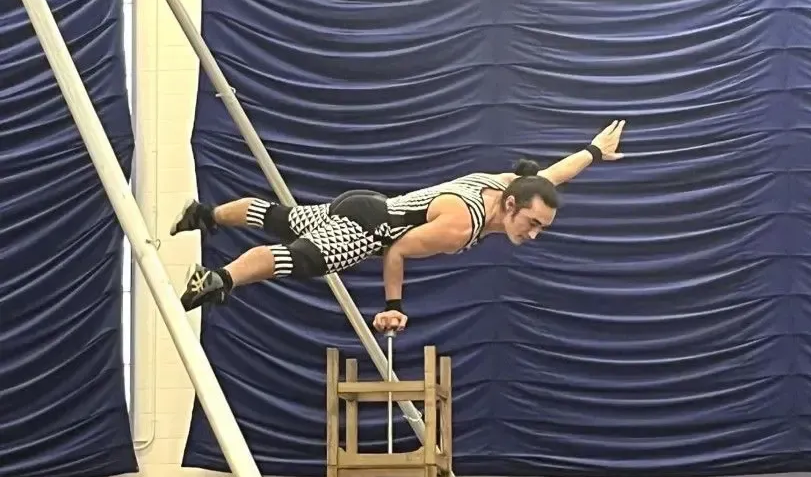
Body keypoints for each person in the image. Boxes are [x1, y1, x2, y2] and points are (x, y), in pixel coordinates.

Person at [171, 120, 626, 330]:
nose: (532, 233)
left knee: (280, 217)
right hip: (371, 230)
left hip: (367, 204)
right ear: (510, 206)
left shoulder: (508, 183)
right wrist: (393, 305)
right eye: (531, 223)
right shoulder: (461, 225)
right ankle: (218, 279)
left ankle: (204, 215)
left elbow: (552, 175)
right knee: (302, 259)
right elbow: (398, 250)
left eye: (541, 228)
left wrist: (594, 152)